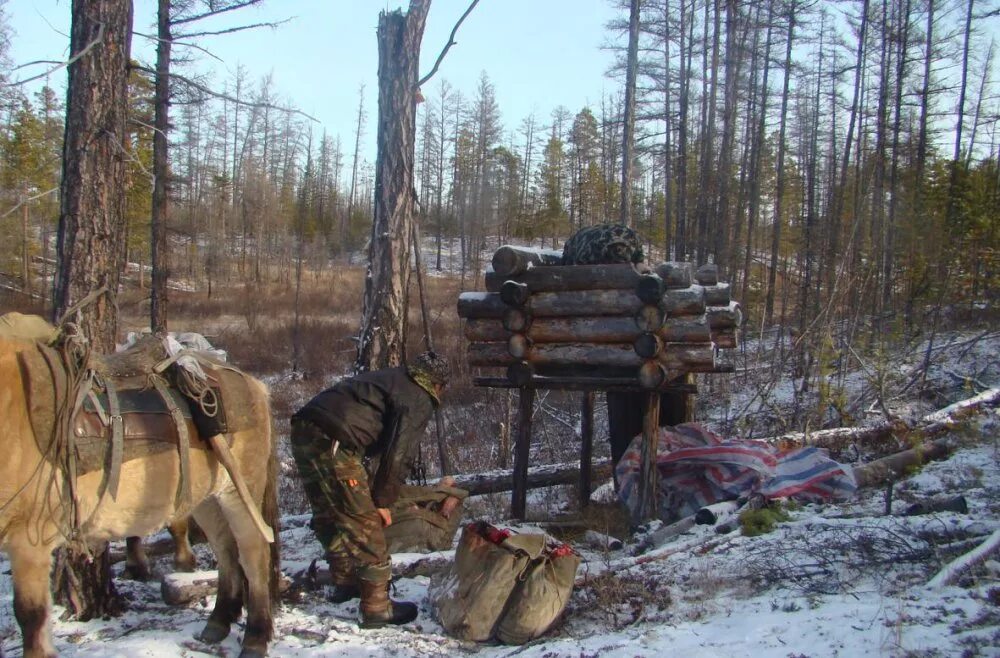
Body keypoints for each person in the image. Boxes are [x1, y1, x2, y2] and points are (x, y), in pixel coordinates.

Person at [289, 351, 450, 628]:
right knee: (365, 523)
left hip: (304, 429)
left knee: (328, 512)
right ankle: (377, 607)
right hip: (335, 440)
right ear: (437, 384)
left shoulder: (390, 379)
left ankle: (345, 582)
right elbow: (398, 456)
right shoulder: (417, 396)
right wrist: (382, 502)